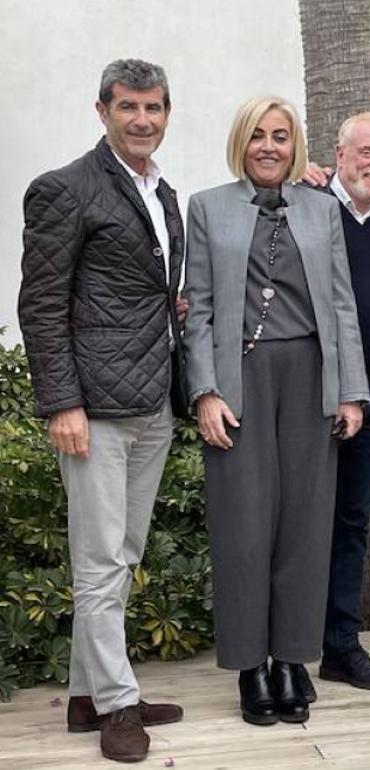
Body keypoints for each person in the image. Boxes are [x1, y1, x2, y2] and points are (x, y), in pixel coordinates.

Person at [17, 58, 185, 763]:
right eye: (129, 108)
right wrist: (62, 403)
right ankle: (119, 706)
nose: (142, 120)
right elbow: (42, 304)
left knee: (122, 555)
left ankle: (88, 694)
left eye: (153, 108)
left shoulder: (162, 191)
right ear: (102, 112)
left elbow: (143, 288)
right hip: (93, 408)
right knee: (96, 561)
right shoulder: (65, 189)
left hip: (152, 400)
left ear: (167, 113)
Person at [183, 95, 369, 726]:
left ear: (297, 148)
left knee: (306, 526)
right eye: (258, 135)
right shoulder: (208, 207)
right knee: (244, 527)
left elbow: (343, 306)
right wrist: (205, 391)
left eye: (281, 136)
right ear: (243, 142)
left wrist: (350, 391)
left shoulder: (322, 209)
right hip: (241, 379)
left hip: (312, 378)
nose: (269, 146)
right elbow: (198, 308)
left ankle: (293, 661)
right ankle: (248, 668)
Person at [316, 112, 370, 691]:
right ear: (339, 154)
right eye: (364, 152)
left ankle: (339, 648)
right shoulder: (306, 206)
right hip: (315, 398)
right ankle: (281, 650)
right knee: (302, 525)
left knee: (352, 524)